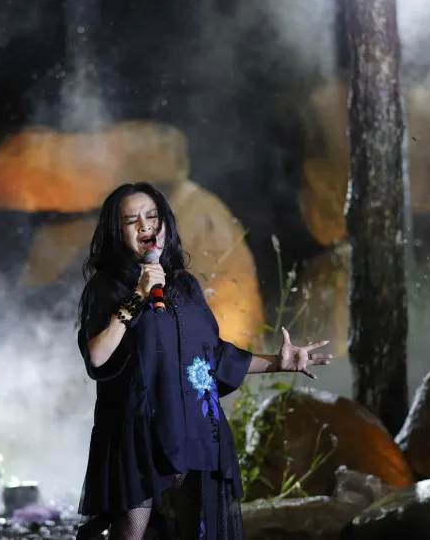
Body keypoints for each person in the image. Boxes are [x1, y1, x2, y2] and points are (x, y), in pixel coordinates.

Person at [75, 182, 333, 540]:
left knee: (197, 530)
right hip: (139, 435)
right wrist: (138, 295)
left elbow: (214, 356)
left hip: (194, 429)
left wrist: (278, 362)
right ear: (117, 233)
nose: (145, 225)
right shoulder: (107, 287)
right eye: (131, 220)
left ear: (165, 223)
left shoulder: (184, 286)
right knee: (129, 532)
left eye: (152, 216)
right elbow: (97, 356)